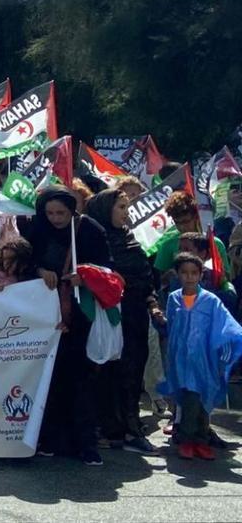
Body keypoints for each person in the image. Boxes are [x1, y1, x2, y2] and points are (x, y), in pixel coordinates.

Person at [27, 186, 111, 466]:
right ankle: (50, 439)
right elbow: (23, 263)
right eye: (50, 213)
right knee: (50, 380)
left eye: (61, 213)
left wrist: (85, 278)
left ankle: (85, 444)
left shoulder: (89, 230)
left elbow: (108, 271)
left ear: (72, 209)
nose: (55, 219)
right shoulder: (38, 229)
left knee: (81, 381)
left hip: (81, 316)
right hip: (45, 317)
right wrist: (40, 271)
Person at [85, 189, 161, 455]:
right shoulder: (93, 240)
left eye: (127, 207)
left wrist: (152, 304)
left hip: (135, 316)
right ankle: (107, 427)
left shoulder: (130, 238)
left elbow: (145, 275)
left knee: (132, 372)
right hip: (106, 316)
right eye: (120, 207)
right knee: (106, 371)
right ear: (105, 209)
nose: (126, 213)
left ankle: (131, 427)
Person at [160, 253, 242, 461]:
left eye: (194, 273)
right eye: (185, 273)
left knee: (203, 400)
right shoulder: (173, 298)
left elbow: (227, 325)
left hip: (205, 359)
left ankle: (201, 439)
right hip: (181, 359)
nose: (189, 277)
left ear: (200, 275)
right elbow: (171, 327)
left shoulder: (210, 300)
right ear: (177, 274)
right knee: (188, 398)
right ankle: (188, 440)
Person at [152, 191, 231, 277]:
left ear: (196, 216)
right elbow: (162, 280)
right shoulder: (167, 245)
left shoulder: (215, 243)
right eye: (177, 222)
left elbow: (227, 277)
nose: (182, 227)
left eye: (186, 221)